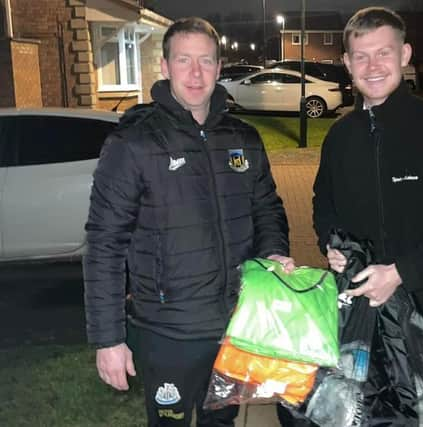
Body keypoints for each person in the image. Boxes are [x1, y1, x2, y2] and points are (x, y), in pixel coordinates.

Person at [83, 17, 293, 427]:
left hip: (236, 327)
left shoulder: (243, 138)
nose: (196, 73)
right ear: (164, 66)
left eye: (206, 61)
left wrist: (273, 254)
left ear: (219, 66)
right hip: (168, 334)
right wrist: (108, 339)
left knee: (222, 422)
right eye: (184, 60)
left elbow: (267, 209)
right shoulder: (133, 144)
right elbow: (105, 245)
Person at [312, 7, 423, 427]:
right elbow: (324, 200)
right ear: (347, 63)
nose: (373, 66)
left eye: (384, 53)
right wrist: (331, 243)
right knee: (369, 414)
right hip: (365, 309)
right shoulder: (340, 136)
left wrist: (401, 272)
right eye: (361, 55)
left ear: (405, 54)